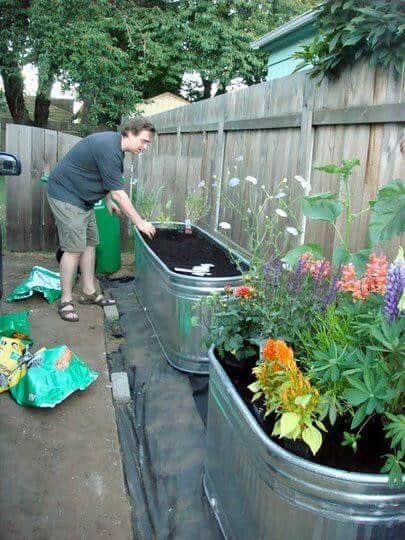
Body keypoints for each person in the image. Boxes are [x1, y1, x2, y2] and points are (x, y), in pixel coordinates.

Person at [46, 117, 156, 322]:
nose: (145, 146)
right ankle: (66, 300)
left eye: (148, 142)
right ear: (129, 133)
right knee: (73, 250)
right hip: (65, 195)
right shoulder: (109, 148)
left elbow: (101, 175)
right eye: (144, 141)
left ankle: (89, 292)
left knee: (90, 244)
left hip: (83, 199)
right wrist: (139, 222)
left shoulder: (115, 148)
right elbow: (120, 194)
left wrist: (106, 199)